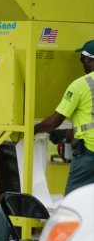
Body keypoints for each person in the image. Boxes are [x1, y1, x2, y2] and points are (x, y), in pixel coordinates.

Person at [34, 39, 94, 195]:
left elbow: (54, 121)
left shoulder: (81, 85)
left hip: (89, 156)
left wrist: (34, 130)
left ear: (88, 59)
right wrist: (63, 135)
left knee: (72, 203)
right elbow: (89, 124)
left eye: (81, 59)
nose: (81, 63)